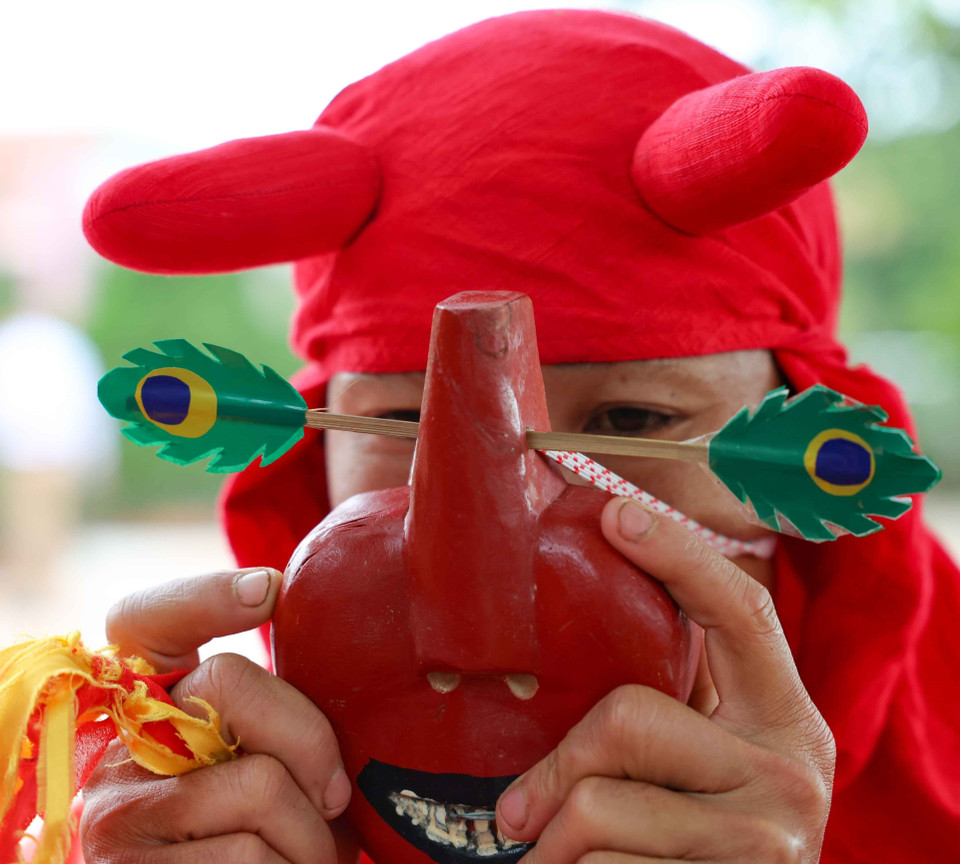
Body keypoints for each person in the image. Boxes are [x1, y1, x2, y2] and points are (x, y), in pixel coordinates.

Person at [78, 9, 960, 863]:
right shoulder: (208, 789)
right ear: (312, 466)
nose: (522, 517)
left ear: (819, 447)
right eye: (408, 425)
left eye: (633, 421)